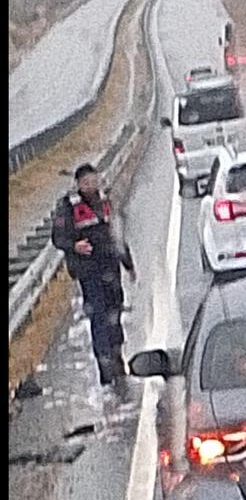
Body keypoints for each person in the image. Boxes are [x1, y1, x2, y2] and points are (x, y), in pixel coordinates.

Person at [51, 164, 135, 393]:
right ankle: (105, 372)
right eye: (85, 182)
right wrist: (74, 245)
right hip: (89, 272)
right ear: (78, 184)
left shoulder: (105, 201)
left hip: (111, 267)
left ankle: (119, 361)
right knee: (98, 318)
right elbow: (58, 237)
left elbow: (117, 235)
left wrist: (128, 264)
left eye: (93, 180)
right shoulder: (68, 206)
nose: (90, 185)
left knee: (114, 313)